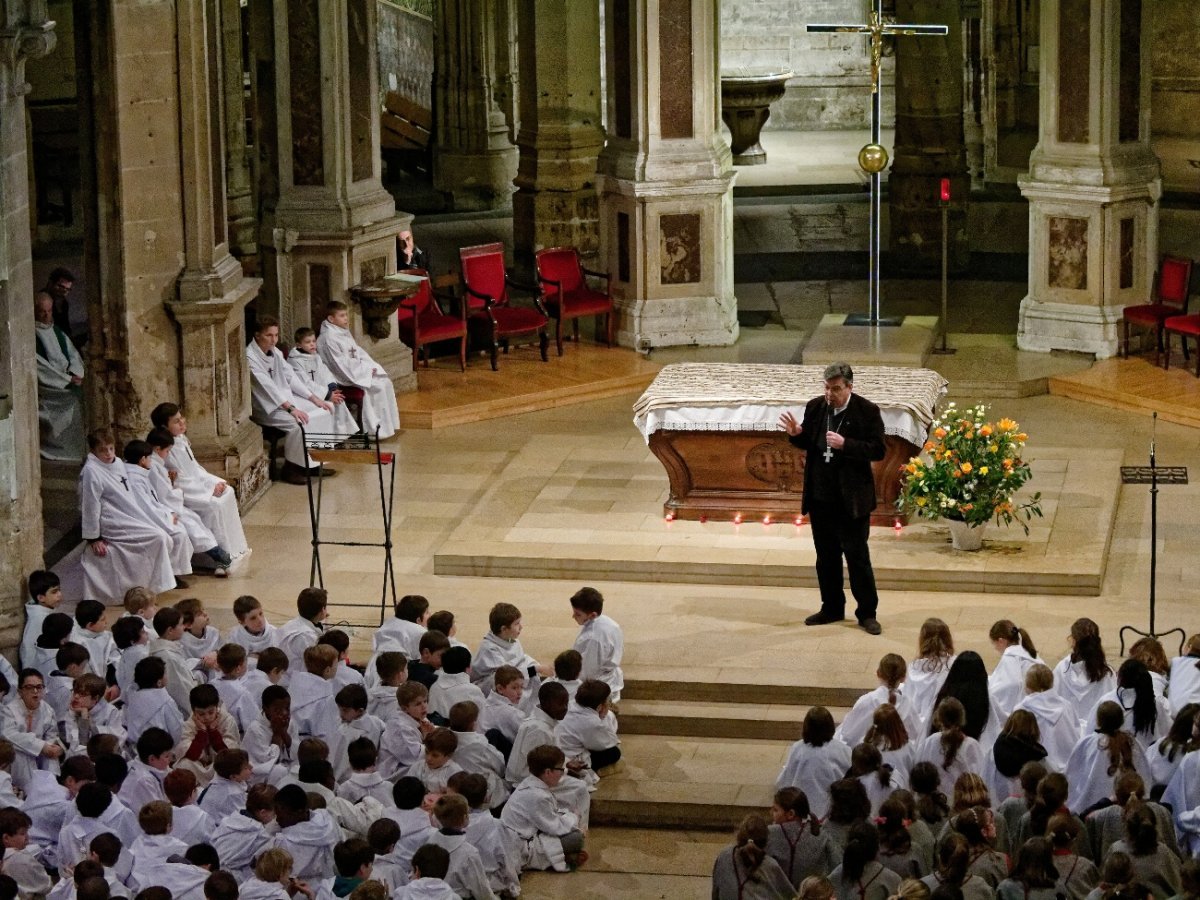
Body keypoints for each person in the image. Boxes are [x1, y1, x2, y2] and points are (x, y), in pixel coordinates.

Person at [779, 361, 886, 635]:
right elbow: (809, 441)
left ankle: (867, 614)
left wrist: (846, 444)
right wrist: (796, 435)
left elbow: (878, 450)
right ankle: (832, 607)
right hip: (821, 497)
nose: (830, 394)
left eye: (836, 389)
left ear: (849, 387)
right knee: (826, 557)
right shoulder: (816, 407)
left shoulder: (867, 411)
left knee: (857, 557)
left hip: (851, 501)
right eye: (827, 388)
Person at [75, 430, 185, 599]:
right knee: (157, 537)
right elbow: (90, 505)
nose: (109, 454)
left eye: (111, 448)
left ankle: (149, 585)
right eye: (103, 450)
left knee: (165, 536)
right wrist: (94, 537)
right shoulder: (91, 471)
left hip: (128, 513)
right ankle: (146, 589)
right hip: (111, 520)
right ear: (93, 451)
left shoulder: (118, 462)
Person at [146, 404, 249, 562]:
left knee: (228, 492)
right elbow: (180, 480)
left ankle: (235, 547)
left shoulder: (180, 440)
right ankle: (218, 557)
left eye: (181, 418)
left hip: (197, 487)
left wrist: (214, 482)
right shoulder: (168, 449)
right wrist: (208, 492)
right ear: (164, 426)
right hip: (186, 494)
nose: (182, 423)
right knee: (214, 506)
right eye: (176, 421)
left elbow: (194, 468)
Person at [246, 316, 338, 485]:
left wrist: (314, 398)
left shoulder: (276, 352)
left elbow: (291, 377)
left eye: (276, 335)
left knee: (324, 409)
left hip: (286, 399)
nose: (274, 340)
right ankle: (292, 468)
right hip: (267, 407)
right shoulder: (250, 357)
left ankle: (314, 463)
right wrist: (291, 409)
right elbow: (268, 388)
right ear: (257, 335)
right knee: (298, 423)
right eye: (269, 335)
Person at [316, 300, 400, 440]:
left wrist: (370, 367)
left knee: (386, 382)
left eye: (346, 315)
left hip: (358, 371)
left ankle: (388, 426)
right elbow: (339, 365)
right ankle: (374, 430)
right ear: (331, 319)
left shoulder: (341, 331)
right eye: (342, 315)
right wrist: (365, 372)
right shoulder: (328, 338)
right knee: (378, 386)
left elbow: (358, 352)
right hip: (344, 377)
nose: (346, 319)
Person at [34, 289, 87, 461]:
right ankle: (60, 449)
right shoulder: (30, 335)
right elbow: (40, 367)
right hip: (50, 387)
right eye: (42, 311)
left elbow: (73, 355)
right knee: (74, 399)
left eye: (49, 311)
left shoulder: (57, 331)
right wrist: (67, 380)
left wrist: (76, 372)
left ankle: (77, 448)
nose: (46, 315)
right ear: (35, 311)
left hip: (67, 378)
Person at [776, 706, 852, 821]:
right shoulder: (844, 750)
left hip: (802, 811)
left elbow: (785, 781)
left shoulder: (798, 748)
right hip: (835, 812)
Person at [286, 328, 358, 439]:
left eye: (314, 341)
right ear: (299, 345)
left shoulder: (315, 355)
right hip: (304, 395)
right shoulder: (295, 361)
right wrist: (327, 395)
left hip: (320, 392)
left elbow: (325, 373)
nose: (312, 344)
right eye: (308, 342)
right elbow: (305, 383)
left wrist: (332, 388)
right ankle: (326, 439)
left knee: (339, 400)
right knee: (328, 405)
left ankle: (341, 436)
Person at [711, 813, 795, 900]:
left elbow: (715, 893)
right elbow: (792, 896)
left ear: (739, 836)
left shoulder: (724, 856)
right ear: (765, 842)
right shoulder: (771, 866)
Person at [568, 586, 624, 703]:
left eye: (577, 614)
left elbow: (587, 672)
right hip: (607, 677)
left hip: (594, 687)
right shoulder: (610, 623)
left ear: (592, 615)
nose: (573, 616)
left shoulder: (593, 639)